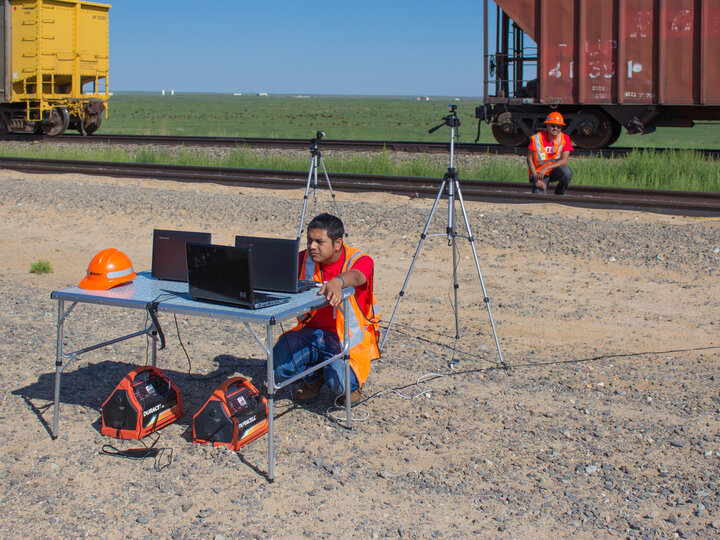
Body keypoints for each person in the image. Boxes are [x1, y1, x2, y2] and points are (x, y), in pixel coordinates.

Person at [273, 213, 379, 406]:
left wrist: (338, 282)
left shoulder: (359, 259)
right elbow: (273, 270)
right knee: (277, 371)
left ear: (337, 243)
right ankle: (314, 378)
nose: (312, 246)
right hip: (311, 334)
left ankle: (352, 385)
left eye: (319, 242)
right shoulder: (303, 259)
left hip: (346, 341)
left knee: (338, 384)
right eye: (309, 240)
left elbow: (358, 275)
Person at [527, 111, 574, 195]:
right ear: (547, 125)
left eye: (559, 126)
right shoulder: (537, 138)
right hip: (539, 174)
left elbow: (564, 161)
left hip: (554, 171)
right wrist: (536, 178)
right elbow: (529, 159)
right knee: (538, 199)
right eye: (553, 126)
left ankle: (560, 193)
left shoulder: (565, 138)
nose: (555, 128)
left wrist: (547, 168)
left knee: (567, 172)